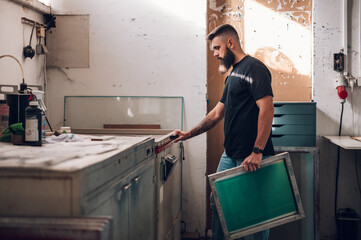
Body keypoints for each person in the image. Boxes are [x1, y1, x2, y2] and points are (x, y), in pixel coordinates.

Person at [173, 24, 275, 240]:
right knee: (219, 202)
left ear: (231, 43)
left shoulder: (254, 68)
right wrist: (187, 134)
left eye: (217, 48)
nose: (216, 54)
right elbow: (217, 113)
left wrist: (258, 151)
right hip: (230, 154)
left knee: (255, 212)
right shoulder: (233, 75)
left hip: (252, 156)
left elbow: (267, 109)